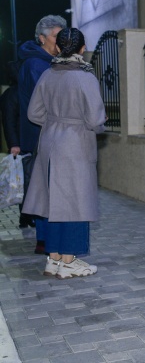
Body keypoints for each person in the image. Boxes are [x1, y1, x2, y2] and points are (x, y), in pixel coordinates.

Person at [22, 28, 106, 279]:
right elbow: (95, 119)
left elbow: (33, 114)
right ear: (82, 48)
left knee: (52, 202)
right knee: (74, 202)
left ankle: (53, 258)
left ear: (58, 48)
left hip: (50, 142)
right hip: (75, 144)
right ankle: (68, 261)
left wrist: (54, 122)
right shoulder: (85, 78)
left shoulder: (48, 75)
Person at [18, 15, 67, 251]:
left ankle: (44, 238)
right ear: (42, 38)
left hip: (47, 133)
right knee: (47, 187)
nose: (61, 40)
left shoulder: (49, 61)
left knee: (47, 186)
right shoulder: (37, 64)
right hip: (41, 135)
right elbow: (48, 102)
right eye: (56, 35)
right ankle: (45, 238)